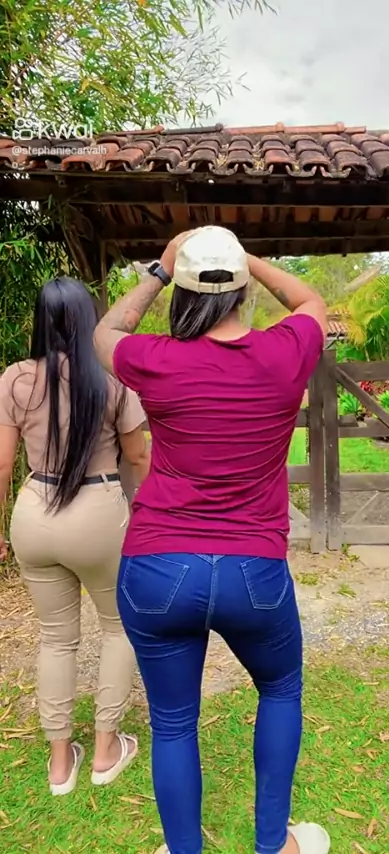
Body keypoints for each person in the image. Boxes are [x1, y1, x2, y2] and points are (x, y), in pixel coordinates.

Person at [93, 227, 330, 854]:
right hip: (254, 570)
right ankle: (273, 844)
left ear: (184, 292)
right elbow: (311, 302)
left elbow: (104, 332)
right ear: (243, 289)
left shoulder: (157, 359)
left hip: (158, 567)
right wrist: (246, 257)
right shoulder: (283, 352)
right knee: (280, 688)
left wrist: (160, 269)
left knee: (173, 724)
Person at [0, 276, 150, 796]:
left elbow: (2, 464)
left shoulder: (15, 380)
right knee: (119, 628)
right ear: (89, 319)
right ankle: (107, 749)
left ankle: (60, 762)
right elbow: (138, 457)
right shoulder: (112, 382)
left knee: (55, 638)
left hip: (35, 513)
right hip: (98, 515)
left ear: (40, 321)